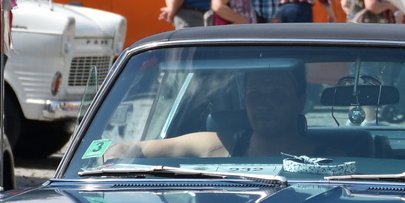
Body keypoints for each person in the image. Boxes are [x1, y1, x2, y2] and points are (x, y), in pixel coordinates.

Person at [106, 65, 314, 160]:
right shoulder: (217, 145)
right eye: (255, 95)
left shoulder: (330, 160)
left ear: (300, 102)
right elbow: (128, 148)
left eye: (277, 95)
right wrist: (113, 158)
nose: (263, 105)